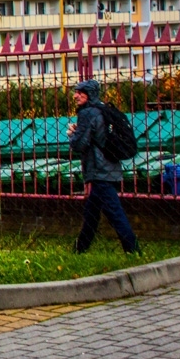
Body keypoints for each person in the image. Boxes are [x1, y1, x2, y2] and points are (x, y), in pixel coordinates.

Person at [67, 79, 138, 254]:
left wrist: (72, 134)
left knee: (116, 215)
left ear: (89, 94)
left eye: (79, 92)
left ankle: (134, 251)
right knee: (91, 216)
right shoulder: (102, 110)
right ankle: (79, 250)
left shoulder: (88, 113)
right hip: (108, 168)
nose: (75, 95)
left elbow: (79, 144)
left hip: (100, 172)